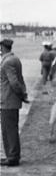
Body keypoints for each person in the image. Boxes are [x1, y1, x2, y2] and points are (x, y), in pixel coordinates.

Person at [1, 39, 28, 167]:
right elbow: (20, 80)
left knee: (8, 130)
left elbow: (14, 83)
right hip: (11, 100)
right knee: (10, 128)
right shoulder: (15, 59)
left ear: (2, 47)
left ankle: (12, 157)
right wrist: (23, 94)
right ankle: (11, 155)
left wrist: (21, 95)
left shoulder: (7, 62)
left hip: (8, 101)